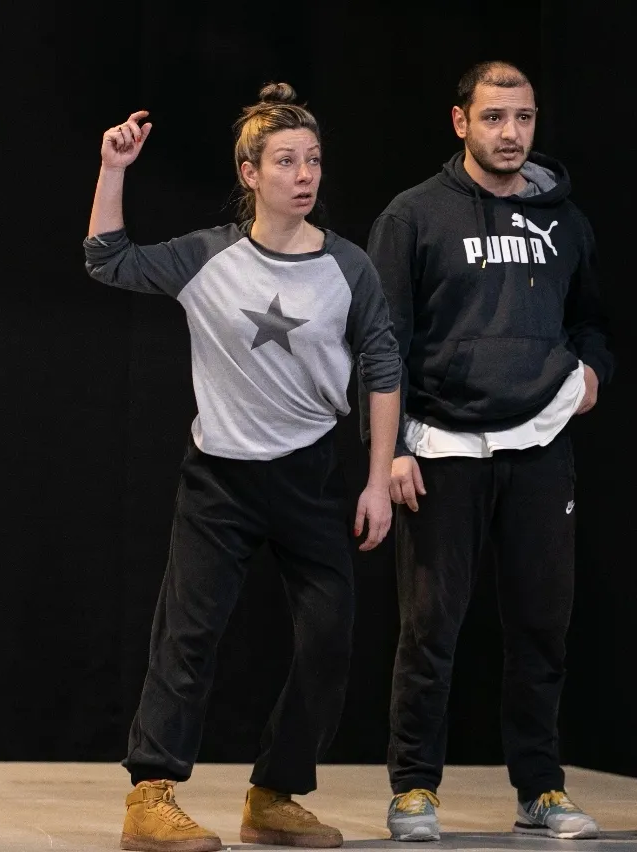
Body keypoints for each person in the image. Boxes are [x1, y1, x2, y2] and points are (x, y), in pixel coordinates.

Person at [82, 83, 402, 852]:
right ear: (249, 173)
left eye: (313, 160)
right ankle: (150, 796)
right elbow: (107, 260)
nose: (304, 174)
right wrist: (113, 169)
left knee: (328, 637)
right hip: (220, 481)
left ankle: (274, 795)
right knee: (187, 636)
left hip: (311, 477)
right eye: (285, 161)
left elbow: (383, 365)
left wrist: (376, 479)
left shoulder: (348, 266)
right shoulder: (207, 255)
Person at [360, 60, 614, 842]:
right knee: (430, 630)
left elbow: (591, 321)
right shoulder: (412, 216)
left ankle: (540, 789)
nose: (510, 133)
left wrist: (591, 373)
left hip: (538, 447)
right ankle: (413, 789)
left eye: (523, 118)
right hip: (439, 449)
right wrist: (391, 449)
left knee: (541, 627)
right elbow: (380, 341)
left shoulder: (565, 221)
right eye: (494, 117)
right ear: (460, 121)